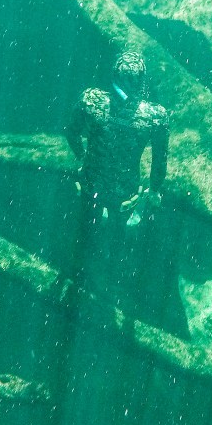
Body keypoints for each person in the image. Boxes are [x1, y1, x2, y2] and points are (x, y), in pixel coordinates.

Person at [64, 49, 185, 334]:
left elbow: (71, 132)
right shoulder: (155, 117)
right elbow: (159, 163)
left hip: (91, 184)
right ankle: (112, 288)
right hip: (125, 194)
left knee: (84, 232)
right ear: (143, 81)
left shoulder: (91, 101)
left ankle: (78, 278)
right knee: (119, 240)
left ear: (113, 76)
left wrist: (82, 157)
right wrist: (154, 191)